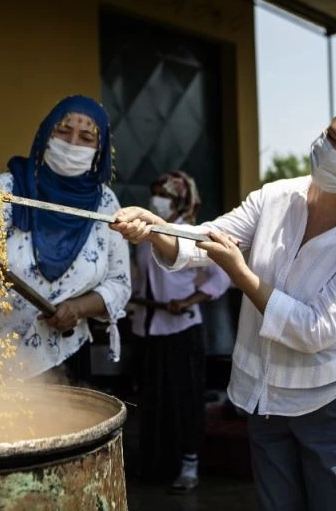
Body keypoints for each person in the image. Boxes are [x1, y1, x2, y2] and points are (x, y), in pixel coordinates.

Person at [111, 86, 336, 510]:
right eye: (332, 136)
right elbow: (204, 241)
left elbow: (313, 330)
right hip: (268, 396)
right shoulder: (276, 197)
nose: (332, 154)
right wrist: (156, 227)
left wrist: (241, 274)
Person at [0, 95, 131, 381]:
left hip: (65, 354)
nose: (72, 143)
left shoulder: (106, 205)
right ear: (46, 134)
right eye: (63, 131)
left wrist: (77, 308)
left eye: (86, 137)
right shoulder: (6, 190)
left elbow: (119, 284)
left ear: (99, 149)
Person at [130, 170, 231, 492]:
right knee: (152, 400)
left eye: (166, 194)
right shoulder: (145, 235)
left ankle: (189, 465)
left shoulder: (191, 234)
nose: (156, 199)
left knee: (184, 400)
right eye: (155, 192)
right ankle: (157, 464)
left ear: (182, 200)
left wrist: (189, 299)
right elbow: (136, 279)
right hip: (146, 330)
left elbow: (222, 275)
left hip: (182, 331)